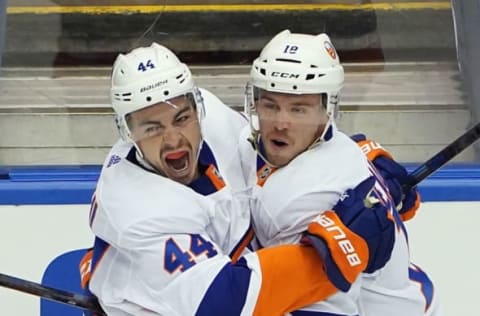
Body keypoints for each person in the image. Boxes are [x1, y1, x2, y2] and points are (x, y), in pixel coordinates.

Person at [80, 42, 395, 315]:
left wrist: (354, 161)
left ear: (197, 106)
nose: (173, 139)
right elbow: (228, 302)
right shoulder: (138, 209)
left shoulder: (213, 121)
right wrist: (340, 250)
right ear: (128, 133)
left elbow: (268, 149)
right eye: (152, 128)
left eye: (181, 118)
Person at [239, 29, 442, 316]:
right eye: (270, 105)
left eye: (298, 110)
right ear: (254, 101)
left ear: (326, 112)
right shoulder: (342, 149)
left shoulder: (305, 197)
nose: (280, 123)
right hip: (413, 294)